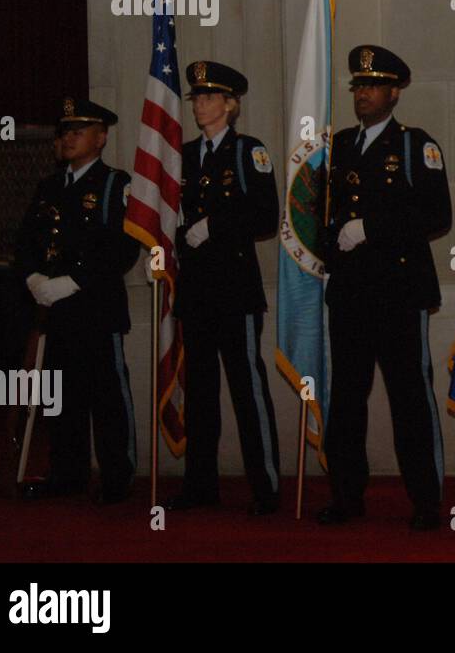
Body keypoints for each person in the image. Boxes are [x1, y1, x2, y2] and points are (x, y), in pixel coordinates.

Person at [319, 45, 451, 530]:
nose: (363, 94)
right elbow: (317, 212)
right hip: (350, 292)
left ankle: (426, 500)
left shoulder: (417, 145)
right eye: (357, 85)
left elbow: (438, 214)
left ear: (395, 92)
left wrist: (371, 227)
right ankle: (346, 495)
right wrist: (330, 251)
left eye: (373, 86)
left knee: (409, 397)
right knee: (347, 397)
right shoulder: (338, 147)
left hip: (399, 291)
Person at [165, 61, 282, 516]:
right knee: (200, 394)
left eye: (209, 97)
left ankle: (265, 486)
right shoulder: (183, 155)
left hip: (235, 290)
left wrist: (213, 224)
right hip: (196, 290)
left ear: (230, 105)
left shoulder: (247, 151)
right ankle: (200, 485)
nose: (200, 104)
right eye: (196, 97)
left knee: (246, 390)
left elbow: (265, 216)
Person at [15, 98, 140, 504]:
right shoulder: (50, 186)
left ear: (101, 138)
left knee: (106, 398)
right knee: (60, 398)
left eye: (78, 131)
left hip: (95, 309)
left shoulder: (114, 184)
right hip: (55, 311)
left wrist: (73, 281)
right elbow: (26, 241)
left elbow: (123, 249)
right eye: (64, 131)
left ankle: (116, 478)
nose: (68, 138)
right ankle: (66, 474)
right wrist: (33, 276)